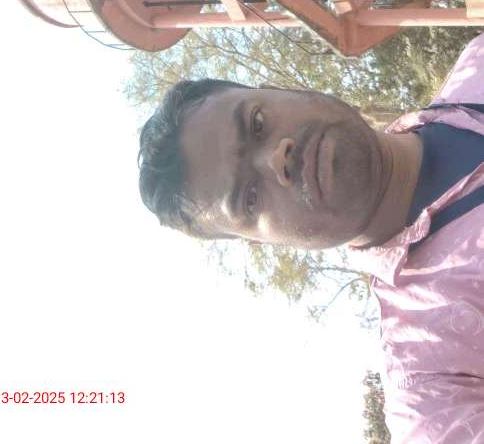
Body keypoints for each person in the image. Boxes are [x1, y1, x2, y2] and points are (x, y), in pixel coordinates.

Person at [138, 33, 484, 443]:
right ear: (261, 242)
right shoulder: (434, 388)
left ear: (279, 89)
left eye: (257, 123)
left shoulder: (478, 63)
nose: (276, 158)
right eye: (249, 198)